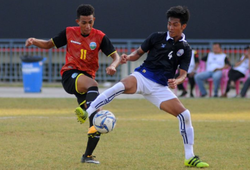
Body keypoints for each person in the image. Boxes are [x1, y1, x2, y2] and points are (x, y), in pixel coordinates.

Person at [77, 6, 209, 168]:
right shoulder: (156, 37)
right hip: (142, 76)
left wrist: (178, 81)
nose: (171, 27)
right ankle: (87, 111)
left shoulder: (186, 48)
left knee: (185, 115)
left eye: (175, 24)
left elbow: (183, 73)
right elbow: (138, 53)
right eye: (169, 24)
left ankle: (190, 157)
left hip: (160, 88)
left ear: (183, 26)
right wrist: (128, 57)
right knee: (120, 86)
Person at [25, 4, 120, 164]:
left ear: (94, 20)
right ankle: (88, 110)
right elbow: (49, 44)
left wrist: (113, 65)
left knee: (96, 120)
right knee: (93, 85)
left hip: (86, 81)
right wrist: (34, 41)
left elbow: (115, 56)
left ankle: (87, 156)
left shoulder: (100, 37)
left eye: (90, 22)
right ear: (78, 21)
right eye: (84, 22)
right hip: (70, 76)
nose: (87, 26)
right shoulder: (69, 33)